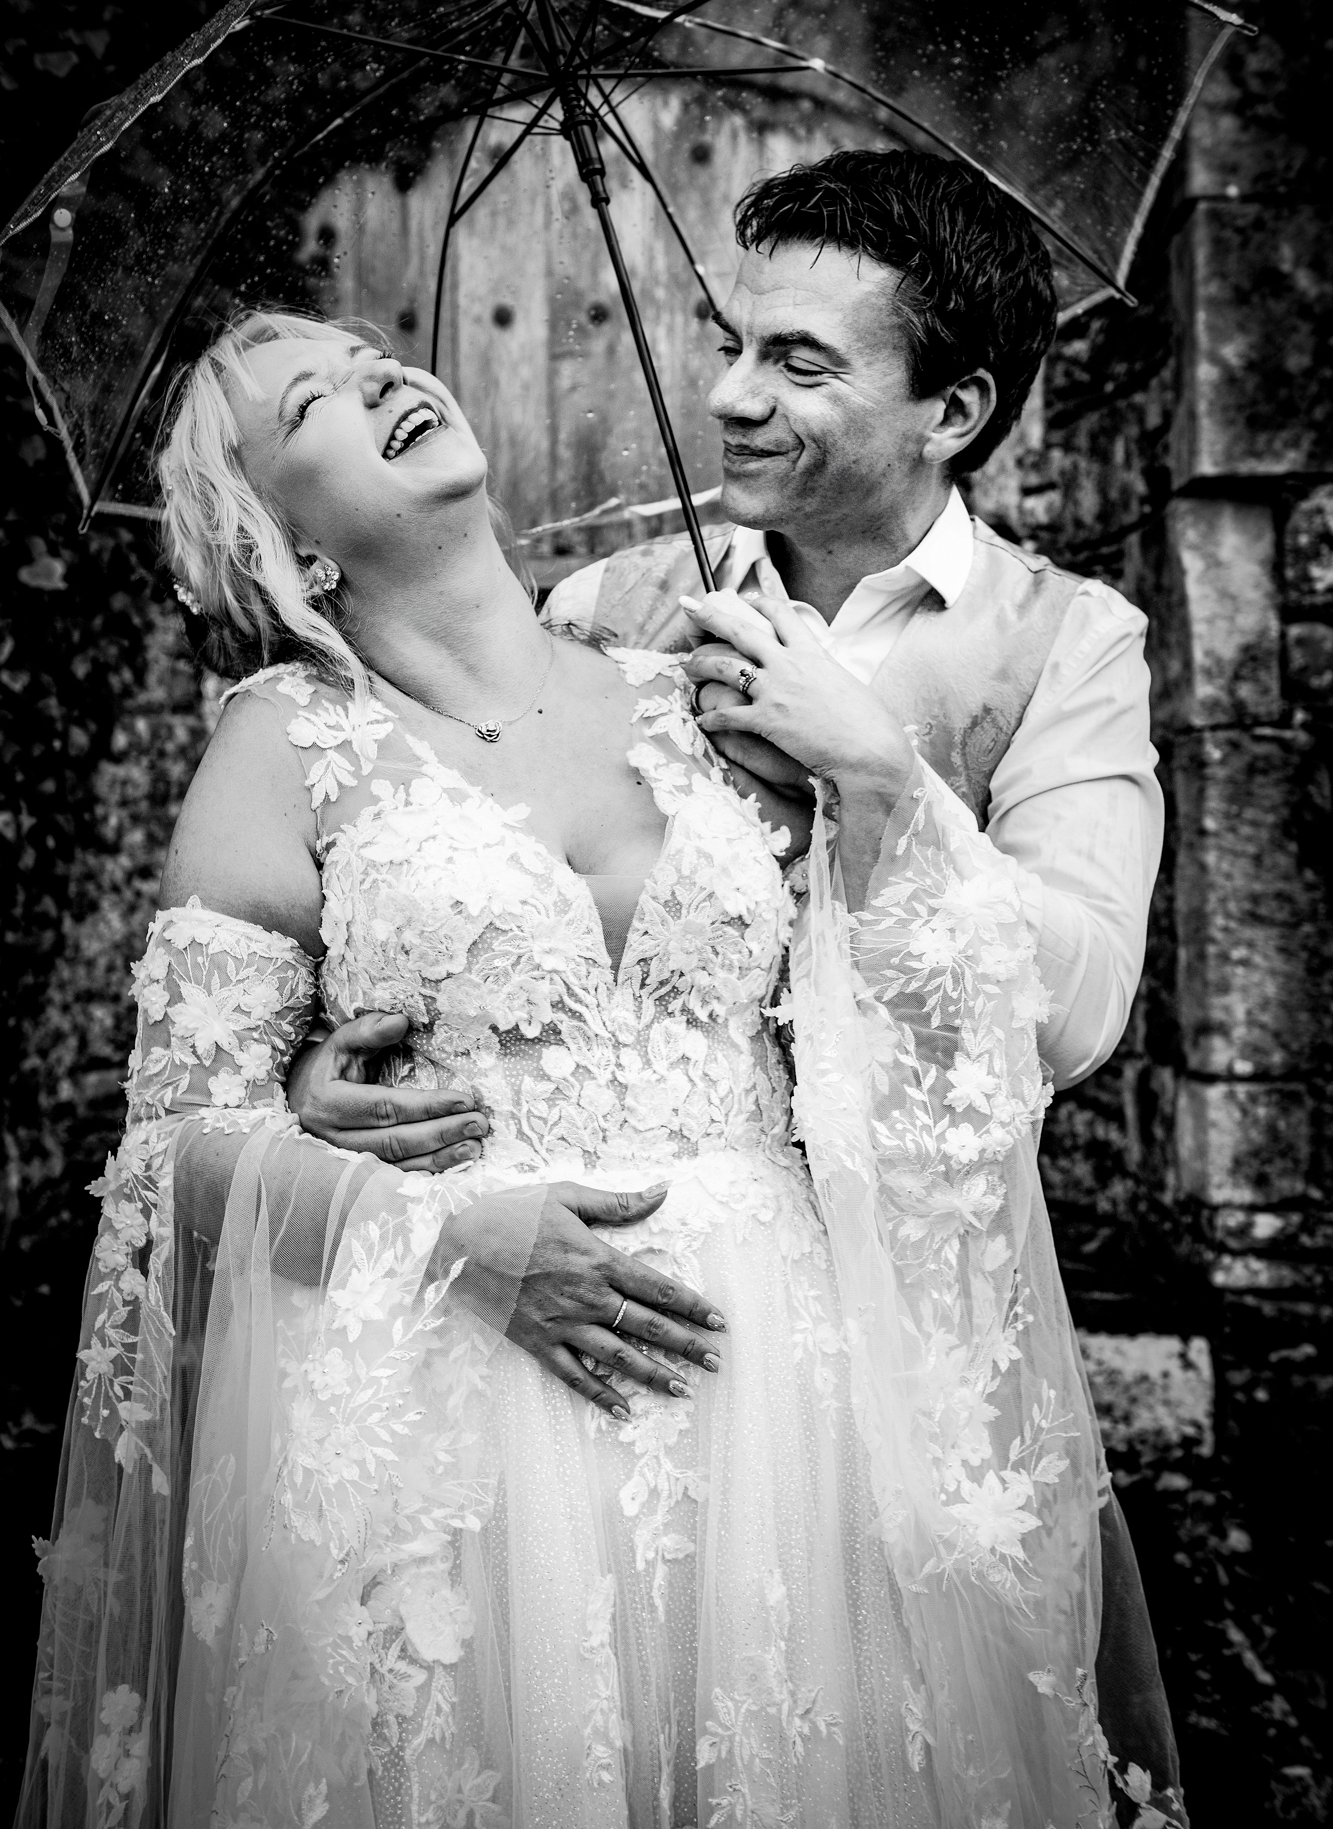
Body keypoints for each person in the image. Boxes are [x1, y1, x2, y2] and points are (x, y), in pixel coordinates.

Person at [21, 303, 1144, 1829]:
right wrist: (425, 1226)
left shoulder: (701, 697)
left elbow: (904, 1028)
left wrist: (862, 779)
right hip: (464, 1402)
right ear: (288, 544)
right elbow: (167, 1154)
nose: (388, 380)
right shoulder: (282, 745)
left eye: (375, 360)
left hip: (777, 1384)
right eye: (315, 406)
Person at [292, 150, 1183, 1824]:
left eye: (799, 361)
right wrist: (322, 1096)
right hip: (633, 1325)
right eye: (727, 341)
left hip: (910, 1337)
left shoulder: (1063, 645)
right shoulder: (610, 603)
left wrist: (881, 782)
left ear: (953, 408)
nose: (726, 394)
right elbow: (479, 924)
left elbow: (1074, 1010)